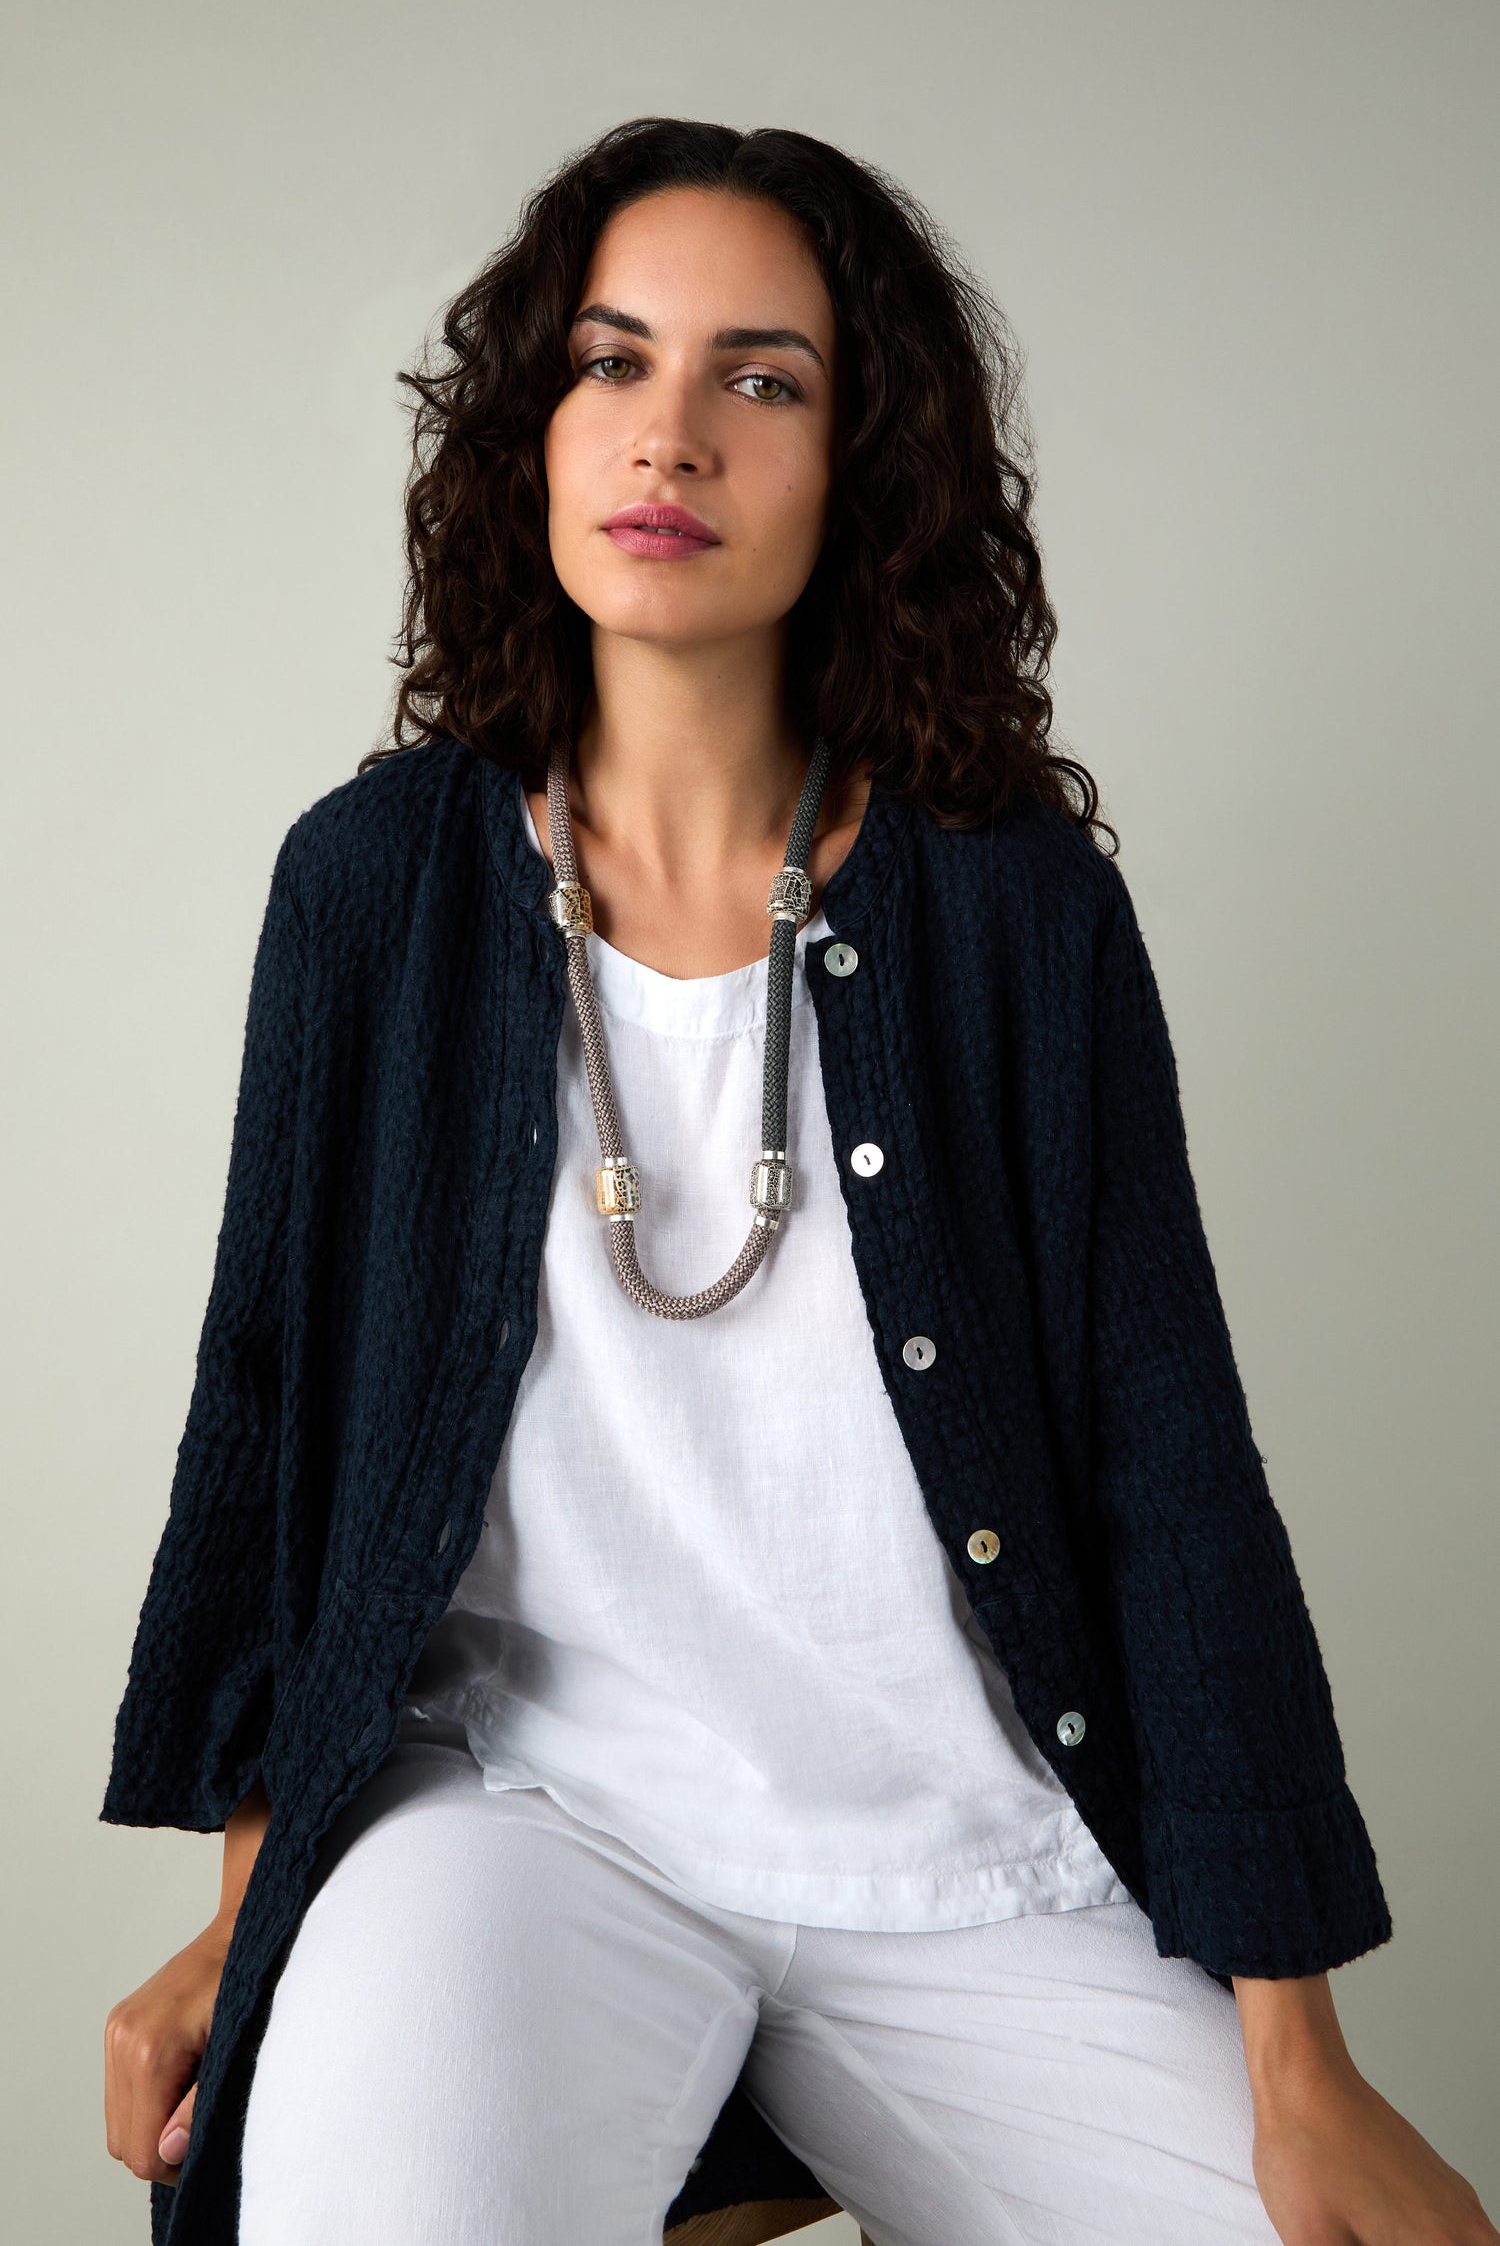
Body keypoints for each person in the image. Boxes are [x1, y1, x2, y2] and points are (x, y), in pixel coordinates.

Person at [100, 118, 1496, 2246]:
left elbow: (1168, 1457)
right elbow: (276, 1422)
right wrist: (254, 1911)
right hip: (522, 1829)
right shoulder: (372, 890)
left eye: (761, 379)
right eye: (609, 362)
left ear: (862, 470)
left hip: (961, 1863)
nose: (672, 435)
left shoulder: (1019, 911)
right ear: (530, 432)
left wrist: (1299, 2067)